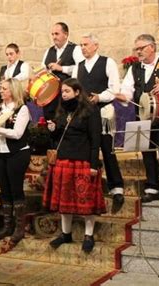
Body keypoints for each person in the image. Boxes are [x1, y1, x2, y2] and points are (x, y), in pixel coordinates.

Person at [117, 34, 159, 206]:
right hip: (142, 116)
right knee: (147, 153)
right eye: (136, 48)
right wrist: (122, 96)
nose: (138, 51)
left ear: (152, 47)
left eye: (141, 48)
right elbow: (127, 89)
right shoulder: (134, 68)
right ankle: (152, 188)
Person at [43, 78, 105, 253]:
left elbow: (95, 139)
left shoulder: (90, 111)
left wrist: (94, 164)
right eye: (62, 92)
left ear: (77, 92)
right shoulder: (62, 110)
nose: (64, 95)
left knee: (86, 200)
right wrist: (53, 129)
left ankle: (88, 235)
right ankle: (65, 234)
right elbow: (57, 138)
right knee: (64, 200)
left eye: (67, 92)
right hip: (63, 159)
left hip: (82, 160)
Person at [72, 33, 125, 210]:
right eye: (81, 44)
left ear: (96, 45)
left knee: (107, 149)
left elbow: (114, 89)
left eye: (86, 44)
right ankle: (87, 187)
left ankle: (116, 187)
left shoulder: (107, 62)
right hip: (84, 115)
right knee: (86, 151)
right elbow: (73, 88)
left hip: (102, 113)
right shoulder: (78, 66)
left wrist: (99, 97)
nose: (83, 47)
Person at [0, 79, 31, 244]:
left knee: (16, 189)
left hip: (17, 153)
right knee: (4, 190)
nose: (1, 91)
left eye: (4, 89)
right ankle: (7, 225)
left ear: (13, 90)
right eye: (1, 89)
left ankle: (19, 227)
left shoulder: (21, 109)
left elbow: (17, 133)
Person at [40, 22, 84, 120]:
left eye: (57, 34)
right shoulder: (48, 51)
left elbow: (81, 68)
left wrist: (62, 69)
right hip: (50, 97)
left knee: (65, 122)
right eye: (52, 34)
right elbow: (43, 69)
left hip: (67, 97)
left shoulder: (75, 49)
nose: (54, 37)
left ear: (66, 34)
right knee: (50, 123)